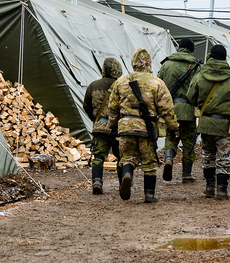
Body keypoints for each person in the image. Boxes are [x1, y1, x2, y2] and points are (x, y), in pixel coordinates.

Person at [108, 48, 179, 203]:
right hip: (146, 128)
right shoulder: (157, 83)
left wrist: (112, 126)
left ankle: (127, 174)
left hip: (126, 126)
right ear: (148, 63)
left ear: (133, 63)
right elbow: (167, 109)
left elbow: (112, 107)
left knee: (128, 157)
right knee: (149, 162)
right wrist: (173, 128)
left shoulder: (120, 81)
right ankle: (149, 194)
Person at [186, 45, 230, 199]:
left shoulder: (200, 75)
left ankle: (209, 187)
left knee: (208, 156)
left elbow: (190, 96)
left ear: (211, 57)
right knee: (225, 156)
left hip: (206, 123)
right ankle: (222, 189)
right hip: (225, 124)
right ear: (224, 58)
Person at [157, 38, 201, 183]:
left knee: (171, 137)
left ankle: (169, 159)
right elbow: (200, 88)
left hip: (170, 109)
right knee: (189, 141)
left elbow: (158, 85)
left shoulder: (167, 64)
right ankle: (186, 174)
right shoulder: (195, 66)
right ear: (191, 50)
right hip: (188, 110)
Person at [84, 57, 123, 194]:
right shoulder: (122, 85)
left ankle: (97, 182)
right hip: (118, 128)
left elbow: (86, 107)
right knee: (121, 157)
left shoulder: (93, 85)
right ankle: (122, 183)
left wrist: (97, 120)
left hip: (100, 127)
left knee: (98, 157)